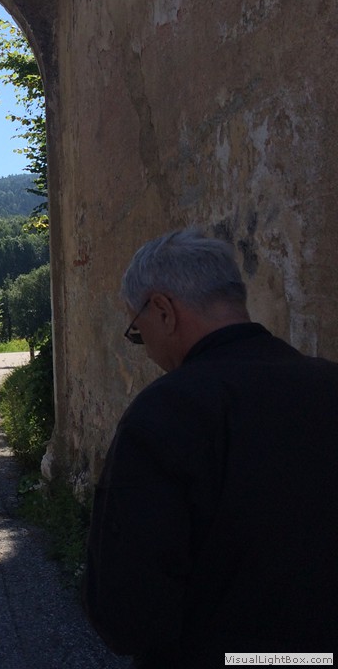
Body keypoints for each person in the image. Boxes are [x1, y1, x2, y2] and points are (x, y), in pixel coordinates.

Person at [84, 228, 338, 667]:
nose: (147, 350)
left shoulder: (166, 413)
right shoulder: (329, 384)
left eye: (137, 333)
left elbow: (127, 613)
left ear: (163, 310)